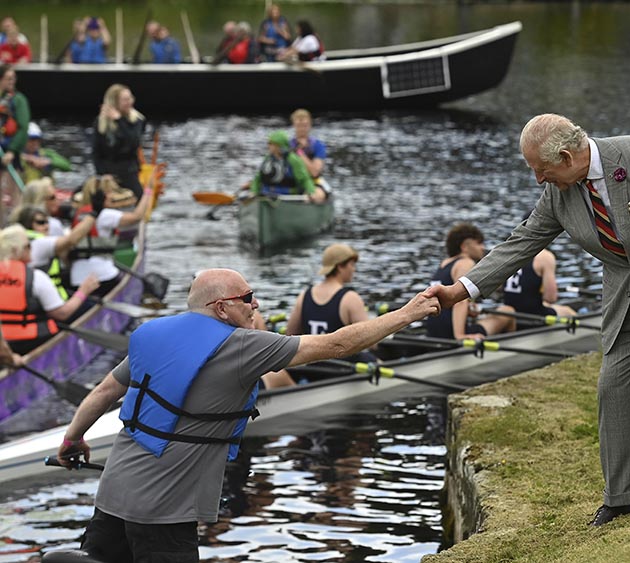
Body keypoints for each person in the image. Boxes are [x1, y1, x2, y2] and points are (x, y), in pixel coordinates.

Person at [426, 114, 630, 527]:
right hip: (626, 298)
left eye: (540, 171)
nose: (538, 180)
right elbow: (522, 242)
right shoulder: (560, 193)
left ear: (565, 157)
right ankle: (620, 498)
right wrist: (460, 291)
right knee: (612, 386)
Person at [54, 267, 439, 562]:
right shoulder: (243, 346)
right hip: (164, 512)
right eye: (248, 297)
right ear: (222, 307)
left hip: (113, 495)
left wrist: (72, 440)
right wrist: (407, 313)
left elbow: (104, 392)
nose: (255, 305)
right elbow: (337, 344)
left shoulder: (153, 334)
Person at [0, 224, 100, 354]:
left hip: (5, 343)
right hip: (33, 341)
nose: (32, 248)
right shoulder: (36, 277)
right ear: (15, 250)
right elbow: (62, 314)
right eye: (28, 246)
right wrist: (83, 291)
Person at [282, 243, 378, 373]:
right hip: (341, 369)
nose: (354, 269)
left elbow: (290, 335)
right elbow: (371, 343)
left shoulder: (304, 295)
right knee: (373, 358)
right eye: (352, 265)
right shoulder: (350, 298)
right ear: (340, 267)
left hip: (310, 369)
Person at [424, 223, 515, 340]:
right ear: (464, 246)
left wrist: (470, 308)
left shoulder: (445, 264)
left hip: (434, 333)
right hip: (452, 333)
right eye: (479, 243)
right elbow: (460, 301)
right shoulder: (465, 263)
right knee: (509, 311)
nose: (483, 247)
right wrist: (460, 336)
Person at [69, 175, 153, 297]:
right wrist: (148, 191)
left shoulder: (78, 214)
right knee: (122, 280)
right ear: (101, 195)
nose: (111, 196)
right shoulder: (105, 215)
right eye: (108, 193)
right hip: (103, 277)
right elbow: (137, 217)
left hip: (77, 278)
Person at [14, 204, 96, 299]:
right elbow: (72, 240)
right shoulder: (40, 242)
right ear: (27, 224)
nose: (46, 226)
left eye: (47, 222)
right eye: (41, 222)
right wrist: (93, 214)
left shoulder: (20, 239)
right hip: (46, 301)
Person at [92, 84, 146, 199]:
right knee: (85, 193)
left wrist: (119, 120)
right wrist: (102, 173)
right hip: (108, 171)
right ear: (114, 102)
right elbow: (96, 152)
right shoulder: (100, 122)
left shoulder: (138, 120)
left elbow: (134, 142)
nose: (130, 102)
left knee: (140, 197)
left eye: (130, 98)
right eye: (125, 100)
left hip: (128, 170)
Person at [246, 130, 326, 203]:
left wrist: (311, 192)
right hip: (267, 195)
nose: (268, 146)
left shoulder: (293, 159)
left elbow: (304, 179)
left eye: (271, 143)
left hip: (288, 198)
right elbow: (258, 178)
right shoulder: (268, 158)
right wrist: (253, 191)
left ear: (278, 145)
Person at [503, 247, 577, 320]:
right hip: (533, 316)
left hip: (510, 313)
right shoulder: (545, 257)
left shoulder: (508, 253)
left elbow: (499, 289)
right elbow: (551, 298)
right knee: (567, 311)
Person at [0, 63, 28, 219]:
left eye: (13, 78)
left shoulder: (18, 100)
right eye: (8, 78)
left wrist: (12, 150)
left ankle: (18, 222)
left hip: (11, 151)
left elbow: (23, 128)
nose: (11, 81)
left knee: (14, 190)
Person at [289, 108, 326, 178]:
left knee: (318, 190)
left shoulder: (318, 145)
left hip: (312, 181)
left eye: (305, 125)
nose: (302, 129)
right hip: (293, 181)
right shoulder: (287, 145)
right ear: (294, 125)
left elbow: (314, 172)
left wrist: (299, 152)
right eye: (299, 126)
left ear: (310, 125)